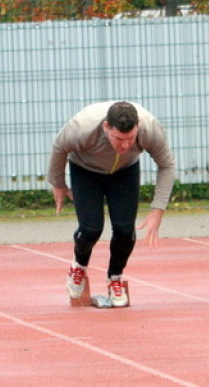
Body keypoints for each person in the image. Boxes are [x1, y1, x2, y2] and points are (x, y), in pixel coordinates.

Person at [48, 100, 176, 307]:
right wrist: (58, 184)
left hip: (124, 172)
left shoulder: (150, 128)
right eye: (118, 138)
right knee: (91, 229)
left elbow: (167, 166)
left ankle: (115, 277)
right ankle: (78, 266)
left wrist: (157, 209)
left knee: (125, 231)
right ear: (106, 127)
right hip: (85, 170)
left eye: (130, 138)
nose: (125, 145)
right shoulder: (82, 127)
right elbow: (59, 147)